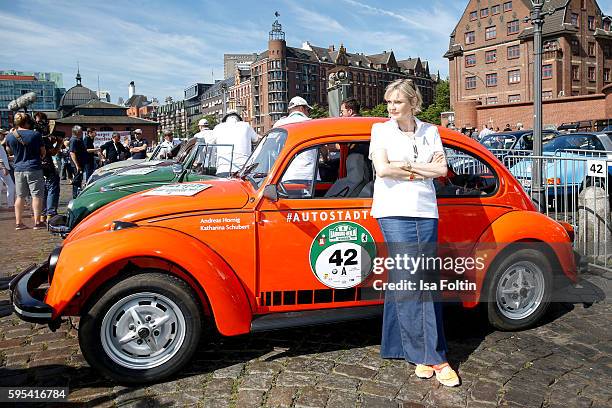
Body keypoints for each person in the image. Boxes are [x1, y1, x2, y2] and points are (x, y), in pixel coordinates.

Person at [369, 79, 460, 387]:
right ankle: (434, 356)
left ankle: (403, 348)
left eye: (397, 101)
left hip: (425, 210)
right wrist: (420, 168)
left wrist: (405, 166)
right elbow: (382, 170)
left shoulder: (430, 131)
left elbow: (442, 170)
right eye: (389, 102)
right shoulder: (380, 130)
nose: (391, 107)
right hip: (393, 210)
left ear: (412, 102)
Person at [5, 112, 46, 230]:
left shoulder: (10, 136)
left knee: (20, 196)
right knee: (36, 195)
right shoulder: (35, 134)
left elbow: (9, 151)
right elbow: (43, 152)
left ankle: (18, 222)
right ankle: (37, 222)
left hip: (18, 169)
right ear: (28, 122)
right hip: (34, 168)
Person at [274, 97, 316, 181]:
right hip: (309, 175)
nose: (308, 113)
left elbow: (272, 148)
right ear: (301, 108)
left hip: (286, 175)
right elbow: (323, 149)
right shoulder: (312, 123)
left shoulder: (279, 124)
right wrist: (326, 158)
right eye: (308, 110)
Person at [208, 110, 259, 176]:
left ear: (226, 118)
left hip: (223, 169)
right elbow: (256, 139)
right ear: (238, 118)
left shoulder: (218, 127)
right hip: (243, 170)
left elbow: (209, 142)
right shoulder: (246, 126)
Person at [41, 128, 62, 222]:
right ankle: (50, 213)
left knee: (41, 191)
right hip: (47, 166)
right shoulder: (42, 138)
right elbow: (53, 152)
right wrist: (59, 143)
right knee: (52, 189)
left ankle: (42, 214)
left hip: (34, 167)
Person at [69, 125, 88, 198]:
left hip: (81, 162)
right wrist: (77, 165)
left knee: (79, 179)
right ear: (77, 132)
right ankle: (75, 195)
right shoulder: (74, 140)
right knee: (77, 180)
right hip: (77, 164)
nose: (82, 132)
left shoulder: (79, 139)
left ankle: (77, 193)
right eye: (81, 131)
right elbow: (72, 153)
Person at [0, 128, 15, 212]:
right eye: (3, 134)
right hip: (2, 167)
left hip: (2, 166)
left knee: (1, 186)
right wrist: (3, 167)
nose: (4, 136)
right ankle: (10, 205)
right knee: (11, 185)